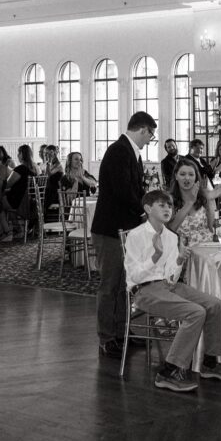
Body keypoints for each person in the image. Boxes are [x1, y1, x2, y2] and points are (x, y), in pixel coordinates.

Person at [123, 188, 221, 392]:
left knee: (214, 304)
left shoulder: (169, 236)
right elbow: (134, 277)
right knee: (195, 312)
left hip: (168, 286)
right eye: (162, 205)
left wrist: (178, 260)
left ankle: (210, 363)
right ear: (148, 208)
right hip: (144, 290)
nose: (168, 209)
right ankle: (169, 371)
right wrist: (155, 257)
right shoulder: (136, 235)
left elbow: (171, 278)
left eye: (169, 205)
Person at [91, 112, 156, 358]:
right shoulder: (119, 151)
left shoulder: (128, 151)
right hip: (110, 230)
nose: (150, 140)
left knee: (122, 285)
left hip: (122, 229)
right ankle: (107, 338)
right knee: (109, 285)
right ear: (143, 129)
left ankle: (121, 332)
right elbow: (122, 191)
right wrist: (144, 212)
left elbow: (132, 189)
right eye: (150, 135)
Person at [167, 159, 215, 247]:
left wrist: (211, 204)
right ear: (176, 176)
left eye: (191, 174)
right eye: (182, 174)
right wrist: (189, 202)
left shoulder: (204, 198)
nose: (187, 178)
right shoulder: (170, 200)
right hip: (181, 252)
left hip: (205, 249)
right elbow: (170, 230)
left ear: (196, 177)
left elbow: (211, 228)